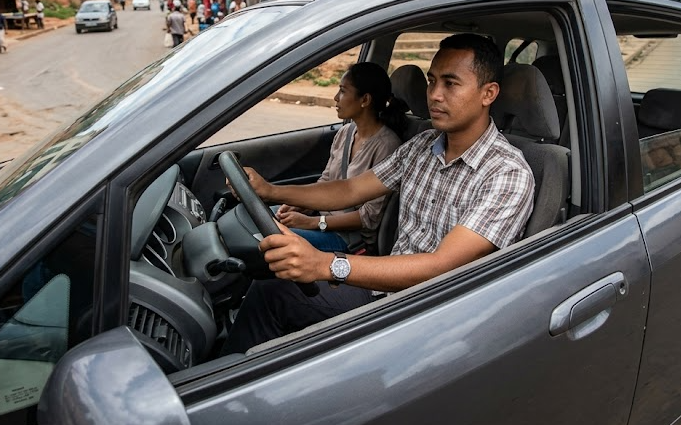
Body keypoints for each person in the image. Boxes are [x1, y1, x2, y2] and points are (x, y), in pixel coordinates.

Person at [221, 33, 536, 355]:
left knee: (276, 294)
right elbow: (351, 189)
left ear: (488, 94)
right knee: (272, 287)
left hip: (431, 317)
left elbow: (441, 266)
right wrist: (270, 191)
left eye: (451, 84)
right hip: (385, 291)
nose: (434, 95)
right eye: (431, 81)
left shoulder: (507, 174)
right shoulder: (422, 146)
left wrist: (327, 265)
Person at [276, 62, 406, 254]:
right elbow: (327, 180)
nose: (336, 98)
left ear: (365, 100)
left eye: (343, 91)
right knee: (260, 218)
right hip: (321, 219)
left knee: (272, 236)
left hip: (350, 239)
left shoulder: (387, 146)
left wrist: (313, 222)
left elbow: (368, 217)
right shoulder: (345, 132)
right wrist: (303, 205)